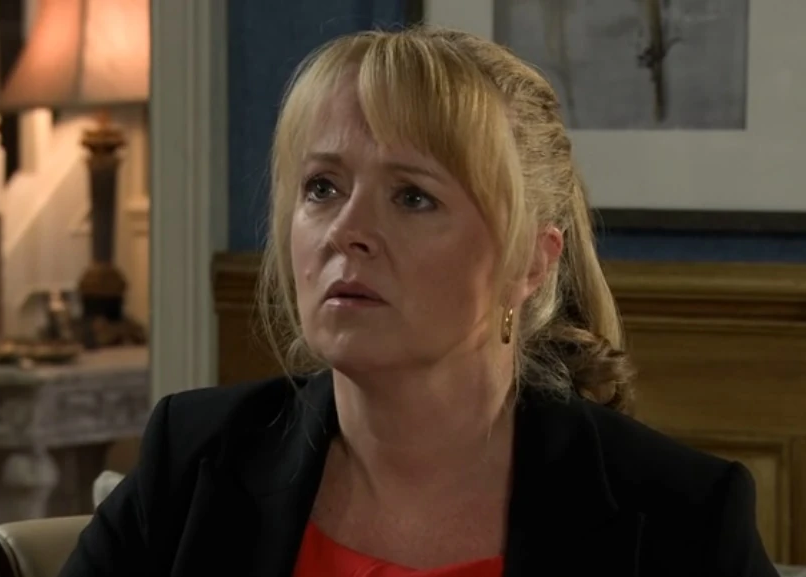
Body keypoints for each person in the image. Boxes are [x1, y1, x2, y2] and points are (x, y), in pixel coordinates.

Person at [58, 27, 777, 577]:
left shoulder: (679, 516)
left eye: (412, 196)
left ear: (530, 260)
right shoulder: (194, 461)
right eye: (321, 187)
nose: (346, 230)